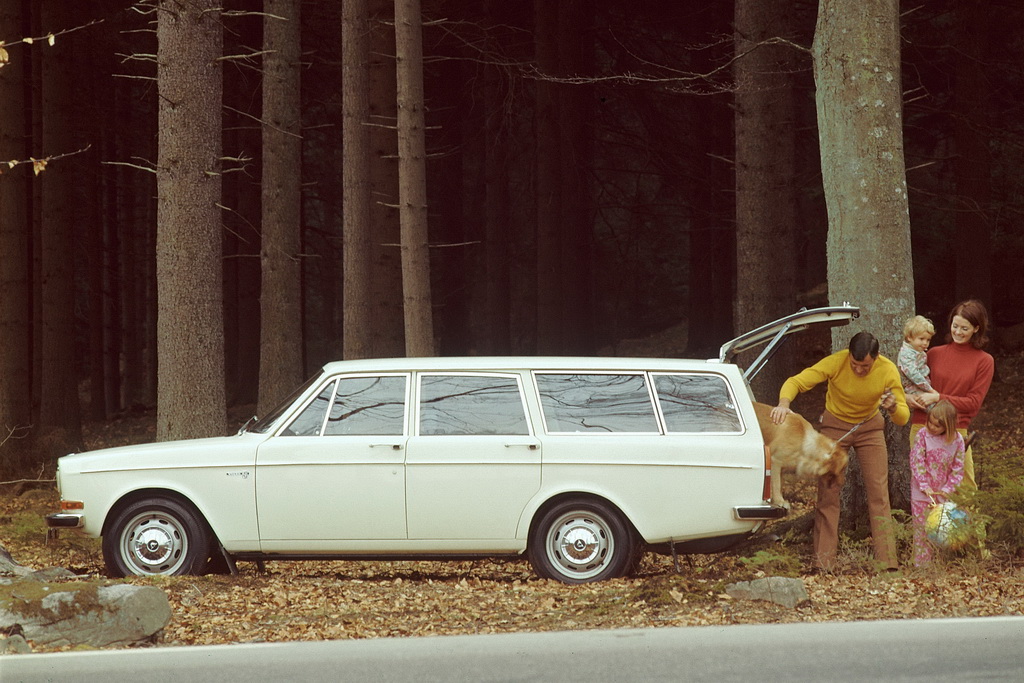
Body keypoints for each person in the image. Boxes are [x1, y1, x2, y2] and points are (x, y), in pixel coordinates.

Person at [771, 332, 908, 572]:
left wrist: (894, 407)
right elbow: (797, 381)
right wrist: (784, 403)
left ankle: (887, 564)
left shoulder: (887, 370)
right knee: (828, 492)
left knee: (878, 492)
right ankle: (824, 563)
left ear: (875, 359)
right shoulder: (837, 362)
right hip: (835, 428)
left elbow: (902, 417)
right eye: (855, 364)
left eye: (864, 366)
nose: (858, 370)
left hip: (870, 429)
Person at [907, 300, 994, 491]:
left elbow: (973, 403)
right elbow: (912, 384)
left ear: (976, 328)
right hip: (923, 425)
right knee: (925, 485)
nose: (958, 332)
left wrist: (938, 398)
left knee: (965, 487)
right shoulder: (934, 353)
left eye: (965, 328)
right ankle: (927, 522)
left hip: (956, 429)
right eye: (955, 326)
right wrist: (908, 398)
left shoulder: (984, 361)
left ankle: (965, 522)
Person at [909, 400, 965, 566]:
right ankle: (922, 565)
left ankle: (941, 563)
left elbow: (958, 467)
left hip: (943, 495)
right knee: (921, 530)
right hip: (922, 493)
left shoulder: (957, 440)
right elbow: (916, 460)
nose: (932, 427)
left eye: (937, 425)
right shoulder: (922, 435)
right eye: (930, 422)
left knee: (942, 530)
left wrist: (949, 488)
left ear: (948, 426)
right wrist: (924, 485)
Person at [898, 315, 936, 399]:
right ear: (909, 337)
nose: (925, 343)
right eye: (921, 339)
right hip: (913, 387)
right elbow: (913, 374)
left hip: (923, 385)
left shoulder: (918, 351)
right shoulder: (907, 354)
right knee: (934, 407)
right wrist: (930, 390)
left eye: (928, 340)